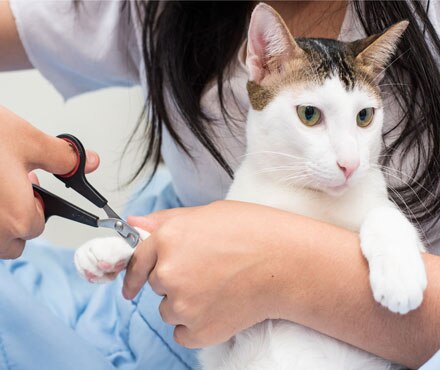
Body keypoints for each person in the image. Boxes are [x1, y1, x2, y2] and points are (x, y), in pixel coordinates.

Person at [1, 1, 440, 369]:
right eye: (311, 115)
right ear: (260, 62)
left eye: (364, 117)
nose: (349, 160)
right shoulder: (153, 11)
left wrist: (281, 269)